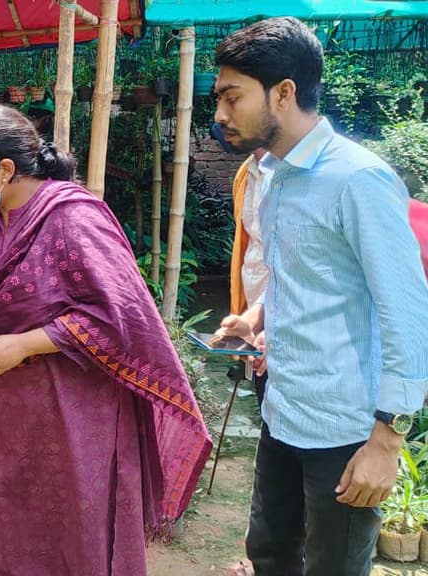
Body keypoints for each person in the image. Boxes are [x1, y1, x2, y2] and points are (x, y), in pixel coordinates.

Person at [0, 104, 212, 576]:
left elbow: (118, 315)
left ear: (6, 169)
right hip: (3, 409)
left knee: (77, 523)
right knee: (9, 522)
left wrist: (25, 344)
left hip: (73, 409)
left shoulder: (71, 218)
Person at [213, 17, 428, 576]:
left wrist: (386, 440)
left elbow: (407, 310)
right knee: (270, 556)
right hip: (284, 413)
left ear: (284, 93)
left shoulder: (357, 179)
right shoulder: (275, 177)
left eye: (232, 98)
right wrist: (257, 320)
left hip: (346, 431)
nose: (220, 114)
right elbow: (303, 277)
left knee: (332, 567)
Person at [211, 121, 271, 404]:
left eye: (234, 101)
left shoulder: (298, 178)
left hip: (297, 329)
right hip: (260, 315)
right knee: (266, 403)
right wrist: (248, 317)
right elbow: (249, 250)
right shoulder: (246, 173)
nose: (221, 117)